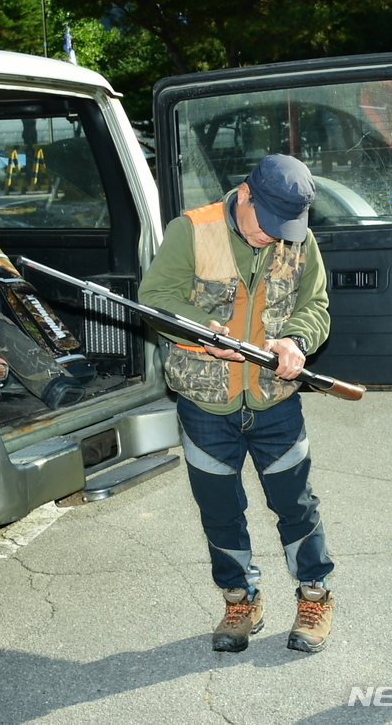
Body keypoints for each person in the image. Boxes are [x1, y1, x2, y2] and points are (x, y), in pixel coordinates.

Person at [139, 153, 334, 654]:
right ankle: (240, 598)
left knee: (296, 504)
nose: (273, 236)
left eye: (285, 227)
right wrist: (204, 333)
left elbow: (315, 305)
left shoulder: (299, 238)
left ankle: (314, 594)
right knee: (219, 511)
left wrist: (295, 340)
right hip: (206, 404)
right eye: (267, 223)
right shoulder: (191, 230)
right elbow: (157, 298)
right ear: (244, 194)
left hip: (275, 403)